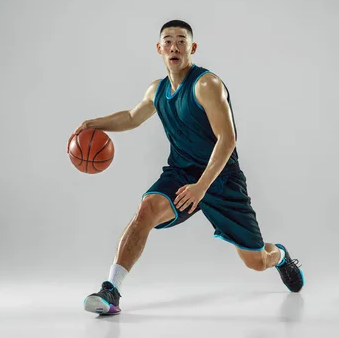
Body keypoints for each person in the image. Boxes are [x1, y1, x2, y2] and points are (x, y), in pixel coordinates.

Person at [69, 20, 304, 315]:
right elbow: (131, 117)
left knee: (256, 261)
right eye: (168, 41)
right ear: (159, 49)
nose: (174, 46)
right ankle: (111, 290)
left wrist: (202, 187)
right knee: (146, 211)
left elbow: (227, 138)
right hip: (181, 173)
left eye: (181, 41)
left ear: (192, 48)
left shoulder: (206, 84)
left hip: (221, 179)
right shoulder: (157, 90)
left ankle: (280, 256)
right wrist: (92, 124)